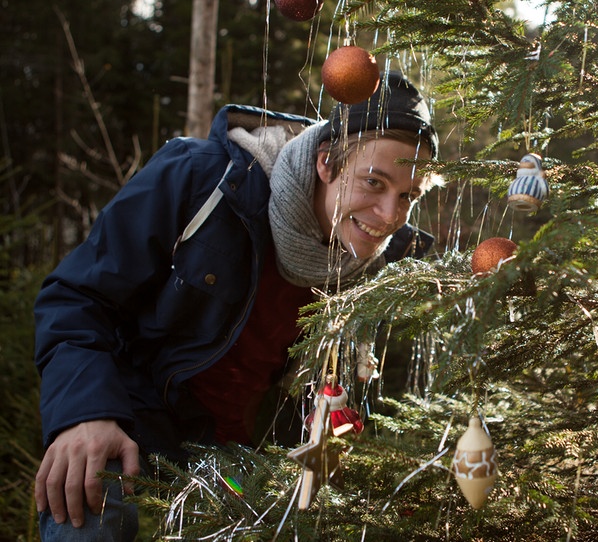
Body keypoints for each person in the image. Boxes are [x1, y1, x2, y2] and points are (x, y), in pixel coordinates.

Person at [33, 70, 441, 541]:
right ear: (327, 162)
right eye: (373, 182)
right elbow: (77, 296)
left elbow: (371, 395)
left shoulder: (383, 269)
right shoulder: (202, 178)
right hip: (131, 417)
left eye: (407, 196)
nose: (389, 216)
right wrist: (86, 414)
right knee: (88, 511)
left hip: (245, 464)